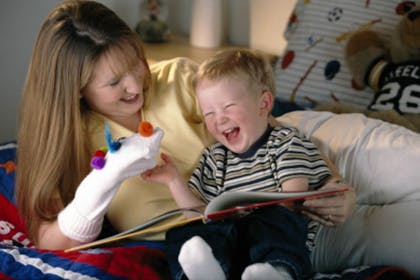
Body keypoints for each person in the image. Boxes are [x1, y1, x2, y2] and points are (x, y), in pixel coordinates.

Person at [15, 0, 355, 274]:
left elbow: (273, 131)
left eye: (136, 63)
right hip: (200, 245)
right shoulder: (67, 140)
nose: (136, 85)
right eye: (114, 82)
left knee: (383, 159)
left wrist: (333, 183)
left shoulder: (177, 79)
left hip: (274, 208)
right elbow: (47, 239)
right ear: (77, 90)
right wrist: (99, 187)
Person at [141, 48, 340, 280]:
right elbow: (199, 214)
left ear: (263, 104)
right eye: (209, 113)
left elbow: (292, 202)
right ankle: (207, 273)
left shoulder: (285, 141)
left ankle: (277, 272)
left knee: (275, 220)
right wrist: (174, 180)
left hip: (281, 247)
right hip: (234, 251)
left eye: (228, 107)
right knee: (183, 232)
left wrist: (248, 214)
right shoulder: (213, 158)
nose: (219, 119)